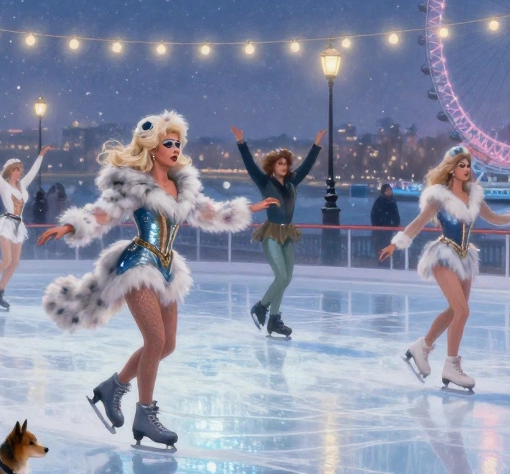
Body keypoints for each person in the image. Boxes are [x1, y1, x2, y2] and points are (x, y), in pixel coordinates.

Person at [39, 111, 276, 450]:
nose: (175, 148)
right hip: (139, 265)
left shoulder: (183, 188)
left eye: (178, 143)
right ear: (152, 148)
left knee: (167, 345)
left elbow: (211, 213)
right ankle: (145, 416)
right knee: (154, 340)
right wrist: (70, 225)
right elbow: (103, 212)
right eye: (168, 143)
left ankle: (113, 388)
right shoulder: (135, 185)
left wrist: (250, 208)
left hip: (167, 268)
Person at [377, 145, 510, 390]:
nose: (467, 169)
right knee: (462, 311)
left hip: (465, 257)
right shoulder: (440, 197)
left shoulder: (474, 197)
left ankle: (422, 346)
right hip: (443, 255)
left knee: (454, 311)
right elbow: (418, 222)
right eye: (461, 165)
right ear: (451, 170)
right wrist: (397, 244)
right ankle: (451, 365)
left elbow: (492, 218)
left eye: (468, 165)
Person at [231, 125, 324, 337]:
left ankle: (273, 320)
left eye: (286, 163)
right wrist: (242, 144)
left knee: (287, 278)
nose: (284, 166)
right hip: (272, 234)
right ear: (272, 166)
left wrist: (316, 145)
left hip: (288, 234)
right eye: (279, 163)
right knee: (281, 277)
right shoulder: (264, 182)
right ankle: (261, 307)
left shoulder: (292, 182)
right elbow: (250, 166)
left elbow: (307, 166)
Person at [0, 137, 52, 310]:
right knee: (6, 260)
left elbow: (33, 172)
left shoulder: (22, 185)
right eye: (16, 170)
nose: (20, 172)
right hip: (6, 223)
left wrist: (40, 156)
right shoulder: (3, 185)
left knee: (15, 262)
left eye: (20, 169)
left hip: (18, 225)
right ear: (9, 171)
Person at [370, 183, 401, 267]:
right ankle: (382, 265)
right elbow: (374, 216)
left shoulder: (392, 202)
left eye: (390, 190)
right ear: (383, 192)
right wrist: (378, 228)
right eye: (387, 190)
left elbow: (396, 216)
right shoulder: (379, 203)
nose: (390, 192)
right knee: (381, 249)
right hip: (380, 232)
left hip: (388, 231)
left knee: (387, 249)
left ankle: (386, 265)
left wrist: (394, 225)